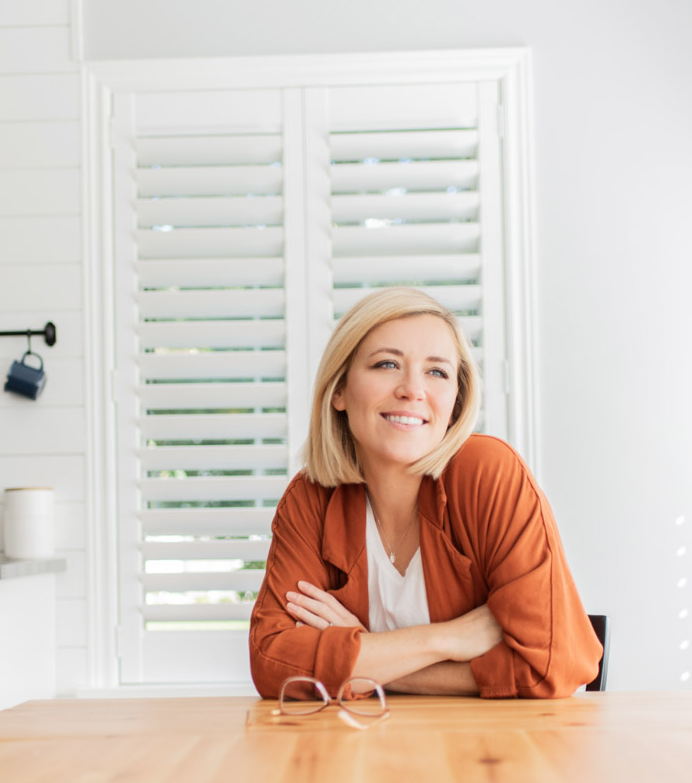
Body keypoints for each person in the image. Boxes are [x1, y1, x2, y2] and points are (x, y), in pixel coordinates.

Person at [249, 287, 601, 700]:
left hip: (495, 741)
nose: (412, 390)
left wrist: (369, 657)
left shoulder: (489, 473)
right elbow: (273, 663)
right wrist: (447, 639)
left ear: (455, 402)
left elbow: (552, 667)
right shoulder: (312, 498)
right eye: (387, 364)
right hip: (360, 739)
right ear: (339, 390)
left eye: (437, 372)